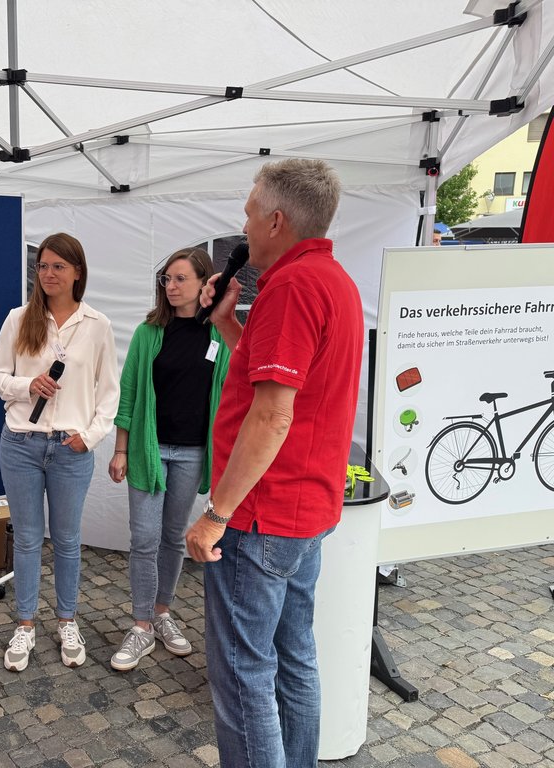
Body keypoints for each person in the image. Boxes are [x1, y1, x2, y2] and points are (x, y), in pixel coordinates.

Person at [185, 158, 363, 768]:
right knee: (293, 661)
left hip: (263, 515)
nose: (245, 222)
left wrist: (217, 513)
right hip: (305, 509)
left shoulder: (291, 288)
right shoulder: (332, 279)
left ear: (278, 220)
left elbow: (272, 417)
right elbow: (275, 382)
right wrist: (228, 325)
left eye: (250, 212)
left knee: (243, 676)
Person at [0, 232, 118, 672]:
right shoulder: (18, 318)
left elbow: (109, 392)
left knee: (66, 541)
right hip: (22, 443)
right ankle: (25, 624)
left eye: (58, 266)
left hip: (70, 447)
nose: (48, 274)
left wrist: (92, 436)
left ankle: (66, 619)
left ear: (77, 271)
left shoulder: (97, 325)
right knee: (25, 539)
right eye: (43, 266)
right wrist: (28, 385)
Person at [106, 247, 232, 671]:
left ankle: (162, 613)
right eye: (167, 280)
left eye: (180, 279)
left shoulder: (218, 335)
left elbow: (231, 396)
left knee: (173, 537)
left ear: (203, 283)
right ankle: (141, 624)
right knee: (144, 538)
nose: (171, 287)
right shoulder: (149, 332)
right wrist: (121, 448)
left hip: (194, 453)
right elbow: (129, 394)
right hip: (149, 449)